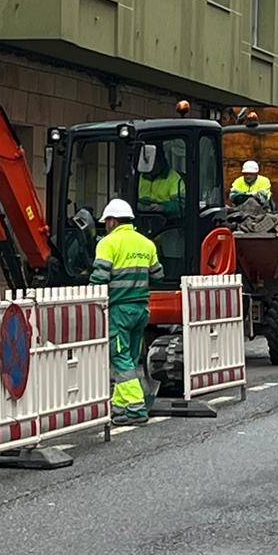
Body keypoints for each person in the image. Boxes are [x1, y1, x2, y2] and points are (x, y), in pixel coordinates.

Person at [90, 198, 163, 425]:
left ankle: (136, 408)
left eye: (106, 222)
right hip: (141, 309)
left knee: (120, 359)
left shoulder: (107, 243)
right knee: (130, 359)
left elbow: (99, 278)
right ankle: (120, 406)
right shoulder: (147, 243)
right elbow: (158, 276)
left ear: (112, 221)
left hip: (119, 310)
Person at [137, 146, 186, 216]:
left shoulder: (174, 178)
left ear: (161, 161)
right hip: (142, 216)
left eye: (154, 162)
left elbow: (181, 204)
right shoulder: (140, 176)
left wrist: (163, 207)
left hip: (167, 220)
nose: (151, 166)